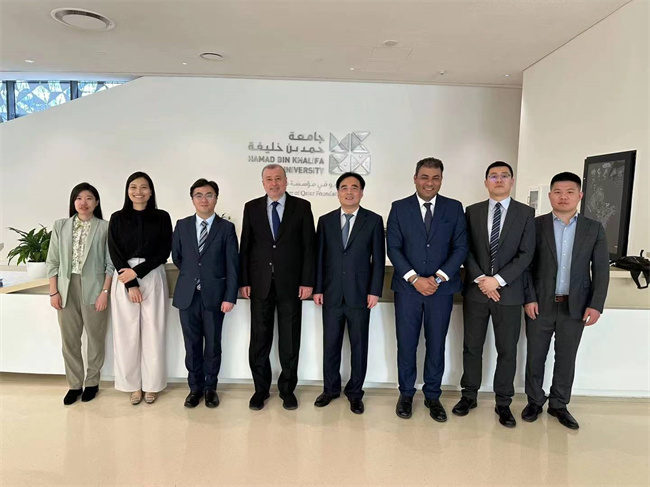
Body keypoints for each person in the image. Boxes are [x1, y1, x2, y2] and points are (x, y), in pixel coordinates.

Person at [522, 172, 609, 429]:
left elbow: (601, 270)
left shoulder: (593, 228)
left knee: (566, 357)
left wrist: (596, 304)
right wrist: (529, 298)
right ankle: (534, 401)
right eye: (558, 192)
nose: (563, 197)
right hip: (540, 303)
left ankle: (559, 404)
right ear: (550, 196)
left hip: (576, 305)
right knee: (535, 356)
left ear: (579, 195)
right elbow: (526, 266)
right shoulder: (535, 226)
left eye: (570, 192)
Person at [453, 161, 535, 427]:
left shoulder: (526, 213)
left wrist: (497, 281)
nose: (499, 180)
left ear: (512, 181)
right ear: (486, 182)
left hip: (509, 294)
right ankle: (469, 395)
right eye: (493, 176)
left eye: (504, 176)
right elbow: (464, 248)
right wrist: (481, 279)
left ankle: (503, 402)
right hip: (476, 292)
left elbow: (526, 254)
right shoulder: (472, 211)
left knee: (507, 350)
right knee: (471, 347)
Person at [386, 157, 468, 422]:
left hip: (440, 291)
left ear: (441, 180)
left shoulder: (454, 208)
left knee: (436, 344)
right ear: (415, 178)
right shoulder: (399, 208)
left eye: (435, 178)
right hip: (407, 290)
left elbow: (461, 247)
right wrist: (414, 279)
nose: (429, 183)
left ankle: (433, 395)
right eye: (424, 177)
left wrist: (438, 278)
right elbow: (393, 248)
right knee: (406, 344)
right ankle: (406, 394)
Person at [239, 164, 316, 411]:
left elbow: (309, 247)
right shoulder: (251, 207)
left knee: (289, 341)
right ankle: (260, 390)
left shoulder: (302, 207)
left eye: (278, 178)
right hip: (259, 285)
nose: (274, 183)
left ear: (286, 181)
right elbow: (245, 247)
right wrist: (244, 281)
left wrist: (307, 281)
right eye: (269, 179)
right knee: (259, 340)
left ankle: (287, 390)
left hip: (291, 286)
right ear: (263, 183)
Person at [313, 172, 385, 414]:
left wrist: (374, 291)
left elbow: (378, 260)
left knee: (359, 346)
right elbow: (319, 257)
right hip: (331, 294)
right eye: (344, 187)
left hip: (360, 295)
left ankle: (355, 393)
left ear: (361, 193)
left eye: (354, 187)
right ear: (338, 192)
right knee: (330, 345)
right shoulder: (325, 221)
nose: (349, 192)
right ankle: (330, 389)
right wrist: (318, 288)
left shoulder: (373, 221)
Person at [172, 178, 239, 409]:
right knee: (191, 346)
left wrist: (229, 296)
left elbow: (232, 265)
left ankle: (211, 388)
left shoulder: (226, 228)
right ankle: (195, 389)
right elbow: (177, 257)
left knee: (212, 345)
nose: (204, 199)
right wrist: (194, 276)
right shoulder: (182, 225)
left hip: (215, 297)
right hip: (187, 296)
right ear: (192, 199)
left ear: (216, 198)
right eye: (198, 195)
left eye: (209, 195)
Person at [46, 183, 114, 405]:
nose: (83, 203)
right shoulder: (61, 226)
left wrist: (105, 292)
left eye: (89, 198)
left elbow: (110, 263)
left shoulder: (105, 227)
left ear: (96, 202)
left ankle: (92, 382)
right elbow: (52, 261)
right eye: (79, 198)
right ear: (73, 202)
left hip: (95, 289)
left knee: (95, 338)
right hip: (66, 289)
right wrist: (53, 291)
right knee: (70, 340)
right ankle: (74, 385)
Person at [108, 172, 172, 405]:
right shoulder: (117, 218)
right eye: (133, 187)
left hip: (152, 274)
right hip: (124, 276)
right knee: (126, 333)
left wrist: (138, 272)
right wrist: (131, 283)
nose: (138, 192)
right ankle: (132, 386)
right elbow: (114, 252)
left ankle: (152, 385)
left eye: (144, 187)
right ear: (127, 191)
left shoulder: (162, 217)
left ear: (151, 191)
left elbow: (164, 251)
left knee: (154, 331)